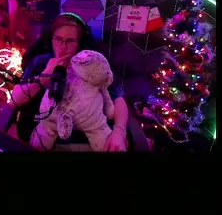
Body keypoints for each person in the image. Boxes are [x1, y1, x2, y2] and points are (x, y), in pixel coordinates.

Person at [8, 13, 130, 152]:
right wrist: (44, 77)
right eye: (58, 39)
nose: (62, 46)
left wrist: (119, 131)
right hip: (47, 140)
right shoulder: (40, 62)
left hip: (87, 141)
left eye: (70, 41)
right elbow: (14, 101)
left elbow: (118, 99)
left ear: (80, 43)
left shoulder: (94, 65)